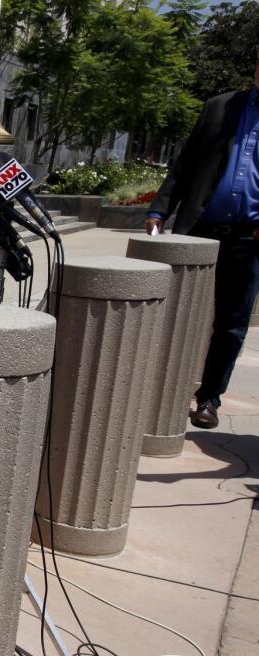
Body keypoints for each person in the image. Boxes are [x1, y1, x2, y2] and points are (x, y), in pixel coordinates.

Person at [146, 51, 259, 430]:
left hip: (249, 237)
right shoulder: (219, 108)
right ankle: (157, 389)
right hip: (199, 230)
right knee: (172, 314)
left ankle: (209, 397)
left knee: (232, 322)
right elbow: (186, 162)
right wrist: (159, 210)